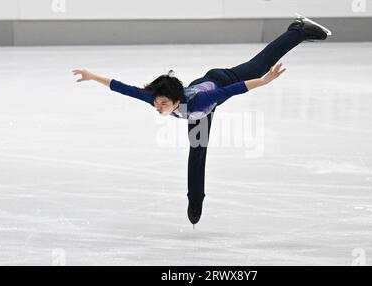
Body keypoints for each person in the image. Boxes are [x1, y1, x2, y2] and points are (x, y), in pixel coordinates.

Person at [72, 14, 332, 227]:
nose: (157, 108)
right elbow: (124, 88)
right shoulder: (157, 99)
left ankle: (298, 30)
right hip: (198, 91)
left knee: (260, 65)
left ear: (175, 102)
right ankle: (195, 201)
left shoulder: (199, 103)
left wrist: (263, 81)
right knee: (197, 152)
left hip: (220, 81)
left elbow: (234, 89)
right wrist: (92, 76)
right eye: (157, 103)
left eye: (163, 104)